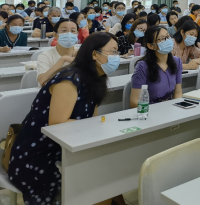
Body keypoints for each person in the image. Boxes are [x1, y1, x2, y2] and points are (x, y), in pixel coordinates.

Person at [9, 33, 120, 204]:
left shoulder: (96, 79)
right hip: (38, 154)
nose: (116, 57)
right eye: (112, 52)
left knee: (105, 173)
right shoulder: (70, 79)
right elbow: (57, 124)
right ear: (94, 54)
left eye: (117, 52)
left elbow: (93, 116)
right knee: (92, 182)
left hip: (66, 148)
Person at [130, 26, 183, 106]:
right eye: (162, 39)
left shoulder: (177, 61)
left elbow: (178, 94)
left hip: (170, 108)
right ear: (151, 46)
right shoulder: (143, 66)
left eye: (168, 36)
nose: (167, 40)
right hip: (150, 109)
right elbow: (134, 102)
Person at [36, 18, 78, 85]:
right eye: (64, 30)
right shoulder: (45, 56)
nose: (69, 34)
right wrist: (63, 59)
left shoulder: (82, 54)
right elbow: (42, 81)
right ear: (55, 35)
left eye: (73, 31)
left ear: (77, 34)